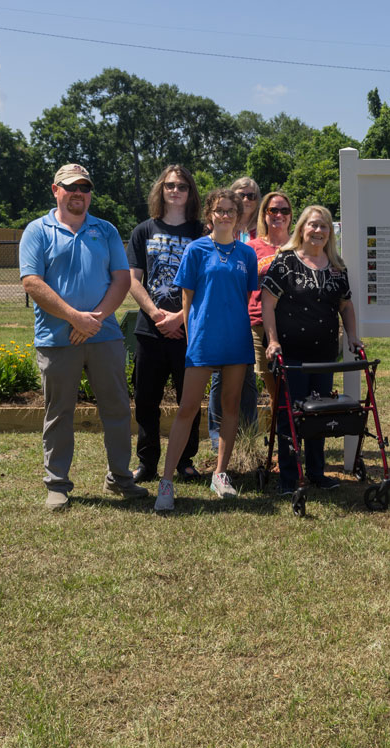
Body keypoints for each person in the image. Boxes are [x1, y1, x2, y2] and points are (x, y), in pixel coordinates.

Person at [19, 163, 147, 510]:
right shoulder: (37, 231)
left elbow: (121, 279)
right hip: (57, 338)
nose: (79, 193)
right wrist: (75, 318)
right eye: (71, 187)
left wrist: (95, 319)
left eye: (85, 187)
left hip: (103, 336)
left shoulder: (105, 230)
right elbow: (32, 282)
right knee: (59, 412)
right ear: (55, 190)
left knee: (118, 408)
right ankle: (57, 484)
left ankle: (120, 477)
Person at [154, 188, 257, 512]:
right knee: (187, 409)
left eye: (231, 210)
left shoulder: (246, 254)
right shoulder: (196, 250)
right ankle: (167, 481)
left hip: (236, 340)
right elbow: (187, 299)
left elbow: (244, 297)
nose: (225, 215)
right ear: (210, 214)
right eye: (219, 210)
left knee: (229, 406)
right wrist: (192, 333)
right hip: (203, 341)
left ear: (238, 216)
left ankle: (220, 474)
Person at [262, 205, 363, 495]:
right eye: (313, 225)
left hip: (324, 356)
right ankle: (289, 478)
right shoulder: (285, 263)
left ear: (330, 233)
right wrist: (272, 340)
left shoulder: (336, 267)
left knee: (320, 414)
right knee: (291, 415)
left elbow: (345, 304)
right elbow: (267, 303)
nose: (318, 231)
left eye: (324, 227)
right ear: (302, 228)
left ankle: (317, 473)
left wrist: (353, 336)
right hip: (291, 356)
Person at [125, 164, 203, 484]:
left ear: (190, 193)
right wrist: (157, 315)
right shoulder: (143, 231)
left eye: (182, 186)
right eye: (170, 185)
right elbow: (132, 280)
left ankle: (185, 462)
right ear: (161, 189)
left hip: (187, 331)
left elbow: (206, 284)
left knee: (190, 400)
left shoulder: (201, 233)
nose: (175, 191)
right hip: (150, 330)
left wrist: (180, 317)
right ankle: (147, 463)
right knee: (146, 400)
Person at [207, 175, 262, 450]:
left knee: (249, 381)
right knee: (220, 377)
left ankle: (249, 435)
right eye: (241, 194)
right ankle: (218, 437)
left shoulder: (260, 231)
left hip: (254, 312)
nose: (246, 199)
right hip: (225, 317)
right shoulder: (222, 228)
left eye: (252, 195)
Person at [247, 191, 293, 430]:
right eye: (273, 210)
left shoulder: (298, 246)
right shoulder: (251, 248)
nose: (278, 215)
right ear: (264, 214)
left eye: (284, 210)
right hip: (258, 323)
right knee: (273, 387)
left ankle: (289, 440)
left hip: (293, 323)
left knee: (291, 388)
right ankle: (280, 445)